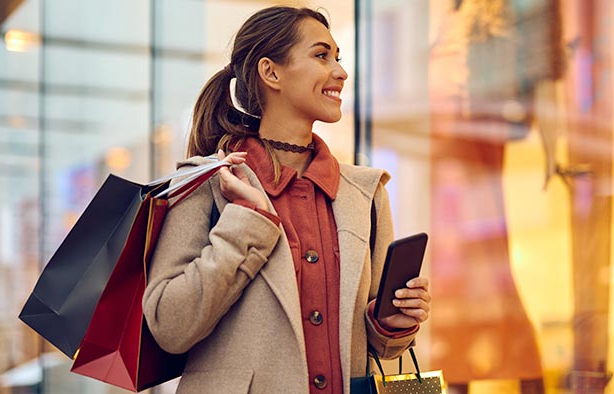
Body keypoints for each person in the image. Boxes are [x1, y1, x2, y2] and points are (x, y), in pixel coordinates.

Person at [143, 6, 431, 394]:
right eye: (321, 55)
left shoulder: (366, 193)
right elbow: (170, 327)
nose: (340, 72)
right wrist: (246, 221)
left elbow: (379, 344)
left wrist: (393, 323)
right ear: (271, 72)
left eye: (338, 58)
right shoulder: (208, 182)